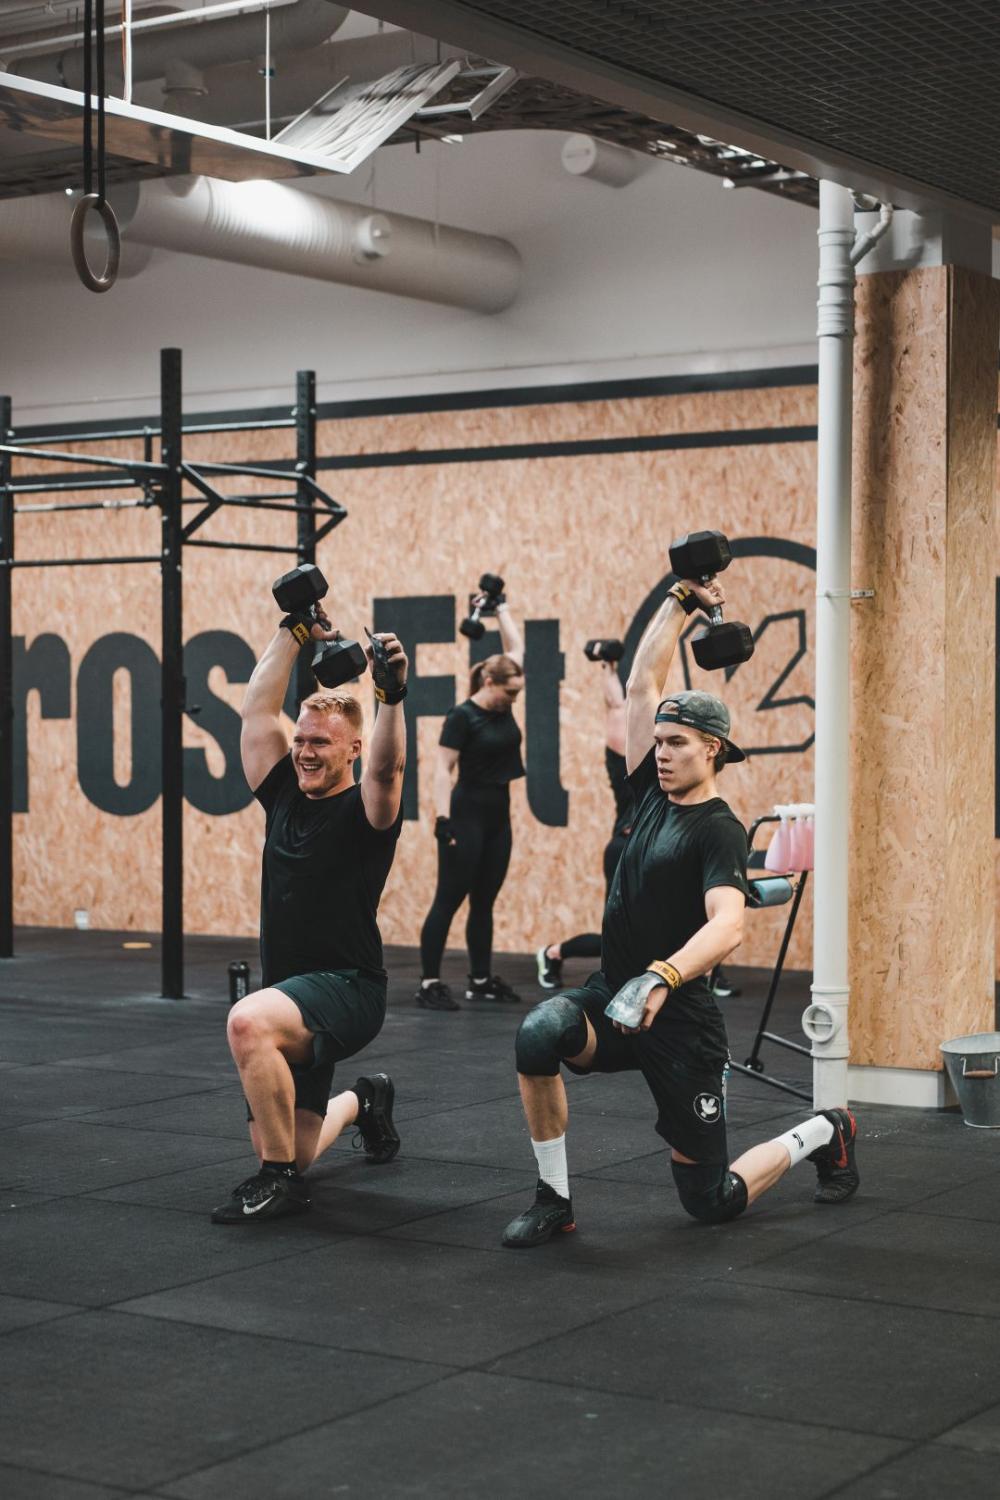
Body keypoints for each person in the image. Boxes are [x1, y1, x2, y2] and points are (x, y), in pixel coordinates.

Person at [501, 569, 858, 1247]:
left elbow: (728, 922)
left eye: (677, 744)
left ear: (713, 750)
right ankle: (553, 1199)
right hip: (614, 998)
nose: (661, 754)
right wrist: (679, 599)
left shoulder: (717, 828)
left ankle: (825, 1130)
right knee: (538, 1032)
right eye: (659, 742)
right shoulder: (647, 794)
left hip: (681, 1022)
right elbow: (642, 685)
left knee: (710, 1203)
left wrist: (663, 976)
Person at [211, 593, 408, 1224]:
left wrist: (390, 696)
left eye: (321, 742)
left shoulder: (367, 814)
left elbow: (388, 769)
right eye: (300, 740)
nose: (304, 751)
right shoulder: (283, 797)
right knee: (294, 1147)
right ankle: (363, 1101)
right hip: (291, 995)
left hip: (349, 988)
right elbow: (255, 710)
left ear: (352, 749)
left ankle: (277, 1184)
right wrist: (295, 628)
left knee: (247, 1023)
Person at [416, 586, 526, 1011]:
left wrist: (502, 608)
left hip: (499, 816)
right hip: (465, 815)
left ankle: (479, 980)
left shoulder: (502, 704)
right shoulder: (462, 716)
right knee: (448, 899)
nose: (514, 699)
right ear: (487, 681)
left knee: (484, 902)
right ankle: (428, 983)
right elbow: (442, 768)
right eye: (509, 693)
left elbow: (515, 649)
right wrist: (442, 819)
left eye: (517, 693)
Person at [536, 657, 632, 988]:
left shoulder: (669, 766)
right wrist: (608, 667)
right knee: (618, 935)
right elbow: (616, 707)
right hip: (625, 848)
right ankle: (554, 952)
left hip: (656, 849)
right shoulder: (627, 763)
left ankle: (707, 973)